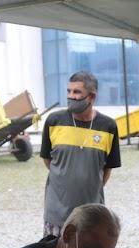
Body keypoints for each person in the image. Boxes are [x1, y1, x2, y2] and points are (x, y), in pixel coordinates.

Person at [40, 71, 121, 238]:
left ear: (91, 96)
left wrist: (88, 185)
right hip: (56, 213)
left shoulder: (108, 126)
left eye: (77, 92)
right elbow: (48, 161)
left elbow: (107, 170)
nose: (71, 97)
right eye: (69, 91)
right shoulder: (53, 121)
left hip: (91, 215)